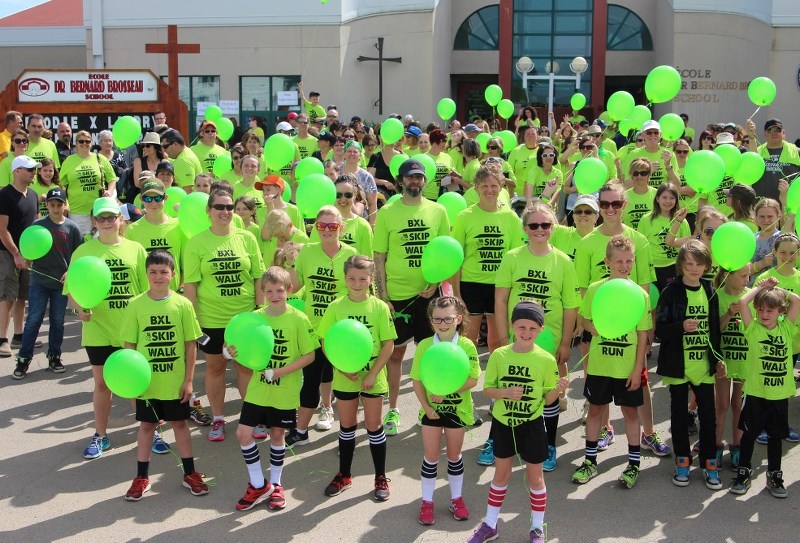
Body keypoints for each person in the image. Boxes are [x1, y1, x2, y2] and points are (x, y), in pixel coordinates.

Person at [467, 301, 567, 543]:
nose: (526, 332)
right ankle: (490, 524)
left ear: (541, 330)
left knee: (536, 478)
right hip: (503, 424)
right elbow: (488, 389)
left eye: (533, 328)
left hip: (532, 425)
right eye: (521, 326)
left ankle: (536, 528)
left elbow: (547, 399)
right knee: (500, 476)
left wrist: (560, 390)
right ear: (512, 326)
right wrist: (505, 393)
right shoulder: (500, 355)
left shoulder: (545, 360)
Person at [494, 203, 579, 471]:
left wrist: (565, 342)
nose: (540, 230)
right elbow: (500, 299)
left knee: (548, 393)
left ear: (553, 227)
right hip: (516, 338)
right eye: (534, 225)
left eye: (545, 225)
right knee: (511, 387)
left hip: (548, 340)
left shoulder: (563, 261)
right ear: (525, 229)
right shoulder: (512, 257)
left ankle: (548, 443)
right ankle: (499, 439)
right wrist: (501, 337)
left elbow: (570, 305)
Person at [120, 249, 208, 501]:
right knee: (147, 426)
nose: (158, 277)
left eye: (164, 272)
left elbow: (191, 345)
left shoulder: (182, 305)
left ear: (173, 275)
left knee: (180, 425)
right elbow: (130, 348)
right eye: (153, 272)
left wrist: (189, 380)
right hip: (147, 384)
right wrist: (132, 383)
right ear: (146, 273)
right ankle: (141, 477)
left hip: (175, 382)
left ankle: (190, 473)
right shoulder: (135, 305)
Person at [229, 266, 317, 511]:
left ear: (289, 289)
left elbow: (309, 355)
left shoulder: (298, 319)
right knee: (243, 434)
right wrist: (231, 352)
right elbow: (241, 347)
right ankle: (258, 484)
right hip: (258, 389)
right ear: (263, 292)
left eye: (279, 290)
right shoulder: (255, 317)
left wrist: (280, 372)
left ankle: (276, 484)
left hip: (284, 391)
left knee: (277, 436)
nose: (275, 295)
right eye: (269, 291)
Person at [374, 159, 450, 436]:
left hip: (430, 295)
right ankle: (393, 409)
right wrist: (382, 296)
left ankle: (427, 406)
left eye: (419, 177)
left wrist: (435, 282)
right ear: (401, 180)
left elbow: (445, 253)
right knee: (395, 355)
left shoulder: (438, 210)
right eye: (410, 177)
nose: (415, 182)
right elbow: (378, 256)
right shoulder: (387, 212)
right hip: (396, 295)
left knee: (430, 353)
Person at [183, 189, 266, 442]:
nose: (225, 212)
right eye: (219, 207)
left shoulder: (247, 238)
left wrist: (260, 315)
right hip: (211, 319)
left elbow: (258, 278)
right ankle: (218, 418)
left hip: (244, 319)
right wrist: (193, 322)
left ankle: (252, 417)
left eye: (230, 207)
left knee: (246, 368)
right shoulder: (196, 243)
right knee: (215, 368)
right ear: (208, 210)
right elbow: (191, 285)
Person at [69, 197, 148, 459]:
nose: (105, 222)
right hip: (98, 329)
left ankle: (150, 431)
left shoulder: (136, 249)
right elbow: (72, 292)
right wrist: (79, 308)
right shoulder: (82, 252)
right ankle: (101, 435)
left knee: (138, 383)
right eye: (100, 218)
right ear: (93, 221)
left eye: (110, 217)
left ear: (120, 219)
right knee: (102, 384)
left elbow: (145, 291)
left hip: (130, 328)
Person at [572, 236, 651, 488]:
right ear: (607, 261)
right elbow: (583, 320)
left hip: (626, 367)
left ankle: (634, 464)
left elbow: (642, 335)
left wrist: (638, 368)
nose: (624, 265)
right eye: (619, 261)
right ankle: (589, 461)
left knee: (629, 412)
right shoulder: (596, 289)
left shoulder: (639, 294)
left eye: (629, 260)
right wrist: (591, 326)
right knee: (595, 410)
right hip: (600, 365)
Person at [318, 255, 396, 501]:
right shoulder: (336, 307)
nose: (357, 282)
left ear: (371, 279)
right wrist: (341, 368)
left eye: (363, 278)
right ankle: (344, 474)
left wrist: (373, 373)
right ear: (345, 278)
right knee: (347, 426)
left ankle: (380, 476)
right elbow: (325, 341)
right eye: (352, 278)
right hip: (345, 376)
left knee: (373, 426)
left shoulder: (379, 307)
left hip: (373, 375)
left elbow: (388, 344)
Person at [284, 206, 356, 445]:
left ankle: (346, 431)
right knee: (311, 378)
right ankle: (301, 431)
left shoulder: (352, 255)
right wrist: (291, 262)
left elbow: (363, 291)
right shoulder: (306, 253)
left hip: (342, 330)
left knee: (347, 379)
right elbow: (294, 287)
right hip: (314, 328)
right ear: (315, 228)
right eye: (321, 226)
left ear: (341, 228)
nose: (326, 230)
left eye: (332, 226)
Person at [655, 240, 724, 489]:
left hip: (703, 365)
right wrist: (680, 327)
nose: (694, 269)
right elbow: (660, 331)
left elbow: (715, 330)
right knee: (678, 415)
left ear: (706, 266)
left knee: (708, 416)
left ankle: (708, 463)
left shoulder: (710, 291)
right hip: (678, 365)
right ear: (681, 265)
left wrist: (717, 359)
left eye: (699, 264)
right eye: (689, 264)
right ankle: (682, 460)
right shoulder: (671, 292)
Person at [411, 296, 479, 525]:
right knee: (431, 457)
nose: (442, 323)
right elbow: (417, 381)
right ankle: (427, 502)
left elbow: (472, 379)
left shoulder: (467, 345)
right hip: (431, 412)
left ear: (458, 318)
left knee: (453, 456)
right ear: (431, 321)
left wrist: (448, 389)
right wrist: (427, 407)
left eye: (448, 318)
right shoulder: (424, 346)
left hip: (457, 412)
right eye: (437, 319)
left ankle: (456, 499)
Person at [730, 276, 800, 497]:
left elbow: (797, 300)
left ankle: (774, 474)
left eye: (770, 311)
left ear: (780, 311)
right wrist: (762, 287)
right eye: (760, 310)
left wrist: (778, 290)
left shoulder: (787, 328)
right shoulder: (753, 330)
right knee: (749, 435)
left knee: (775, 436)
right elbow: (743, 303)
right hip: (756, 394)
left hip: (779, 395)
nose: (763, 314)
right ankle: (744, 471)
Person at [453, 165, 525, 354]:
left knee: (497, 340)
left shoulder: (510, 218)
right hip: (471, 284)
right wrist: (457, 294)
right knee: (469, 340)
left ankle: (496, 380)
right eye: (484, 186)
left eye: (493, 185)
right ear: (475, 187)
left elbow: (515, 257)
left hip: (500, 286)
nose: (489, 190)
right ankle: (466, 381)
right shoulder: (464, 217)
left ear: (501, 186)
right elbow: (456, 259)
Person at [12, 188, 82, 379]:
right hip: (39, 281)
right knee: (34, 319)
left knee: (58, 321)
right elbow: (28, 247)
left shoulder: (72, 228)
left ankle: (54, 356)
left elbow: (79, 254)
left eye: (59, 204)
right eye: (52, 205)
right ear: (47, 206)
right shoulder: (37, 226)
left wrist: (70, 271)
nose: (56, 208)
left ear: (65, 206)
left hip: (61, 283)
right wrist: (25, 258)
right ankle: (23, 359)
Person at [0, 156, 41, 358]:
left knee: (22, 296)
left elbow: (35, 226)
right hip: (7, 253)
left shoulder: (33, 195)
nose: (33, 172)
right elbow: (1, 230)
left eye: (34, 169)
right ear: (17, 171)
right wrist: (16, 253)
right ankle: (2, 340)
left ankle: (18, 336)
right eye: (29, 169)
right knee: (7, 296)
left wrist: (31, 253)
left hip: (28, 255)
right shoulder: (4, 195)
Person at [714, 265, 749, 471]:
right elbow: (713, 330)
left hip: (744, 359)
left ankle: (737, 447)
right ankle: (716, 446)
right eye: (743, 275)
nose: (747, 278)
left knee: (739, 405)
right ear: (728, 276)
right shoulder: (716, 296)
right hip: (723, 360)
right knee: (722, 405)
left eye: (748, 275)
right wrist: (728, 314)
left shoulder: (750, 298)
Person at [60, 130, 117, 235]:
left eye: (87, 141)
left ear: (91, 143)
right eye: (81, 141)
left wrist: (109, 191)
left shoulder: (100, 158)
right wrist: (65, 202)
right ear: (76, 143)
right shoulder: (68, 161)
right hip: (77, 211)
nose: (84, 144)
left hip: (98, 209)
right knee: (80, 243)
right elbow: (61, 185)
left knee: (101, 241)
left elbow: (112, 179)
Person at [640, 182, 689, 292]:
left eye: (672, 198)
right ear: (657, 199)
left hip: (674, 267)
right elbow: (641, 246)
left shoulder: (682, 220)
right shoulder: (646, 220)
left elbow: (686, 247)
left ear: (676, 200)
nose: (668, 201)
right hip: (653, 269)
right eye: (664, 197)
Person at [310, 174, 373, 256]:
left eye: (348, 195)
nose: (343, 199)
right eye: (338, 195)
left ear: (354, 196)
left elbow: (367, 261)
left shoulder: (363, 226)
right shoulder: (321, 223)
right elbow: (312, 255)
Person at [745, 118, 800, 201]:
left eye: (778, 130)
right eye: (770, 130)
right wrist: (751, 136)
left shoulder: (797, 152)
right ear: (765, 134)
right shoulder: (756, 152)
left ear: (783, 133)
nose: (774, 133)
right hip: (762, 207)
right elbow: (751, 168)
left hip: (789, 207)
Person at [340, 141, 378, 226]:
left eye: (355, 152)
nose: (352, 154)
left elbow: (372, 204)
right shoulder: (336, 172)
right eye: (349, 151)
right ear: (344, 154)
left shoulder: (367, 177)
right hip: (338, 221)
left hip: (360, 223)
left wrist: (372, 225)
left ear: (360, 155)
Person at [622, 158, 656, 229]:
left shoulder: (657, 195)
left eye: (643, 173)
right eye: (636, 173)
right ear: (631, 176)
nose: (639, 176)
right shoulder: (623, 197)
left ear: (649, 175)